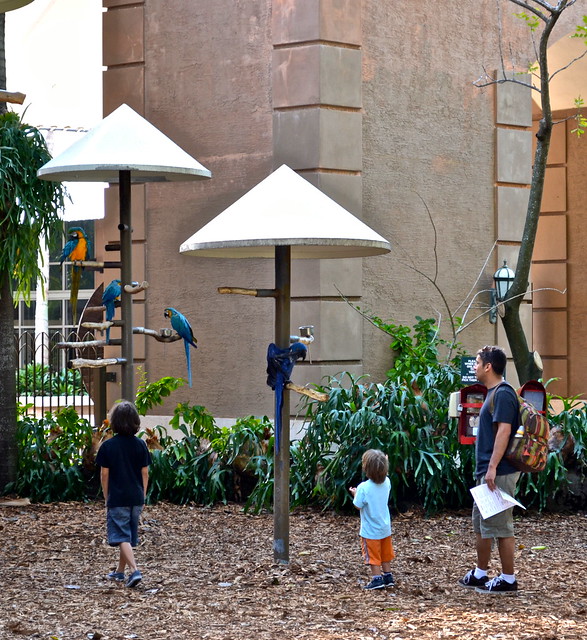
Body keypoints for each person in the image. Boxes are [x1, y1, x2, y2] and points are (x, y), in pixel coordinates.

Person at [458, 345, 521, 595]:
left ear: (488, 366)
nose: (473, 367)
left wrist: (493, 467)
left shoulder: (503, 394)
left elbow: (504, 432)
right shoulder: (492, 392)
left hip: (499, 472)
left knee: (501, 527)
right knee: (481, 525)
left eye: (476, 362)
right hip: (487, 471)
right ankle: (480, 573)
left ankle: (508, 579)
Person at [95, 400, 151, 588]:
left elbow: (104, 474)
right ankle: (120, 572)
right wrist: (142, 495)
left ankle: (135, 571)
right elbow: (145, 472)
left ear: (114, 421)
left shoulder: (108, 447)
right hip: (136, 497)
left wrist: (106, 495)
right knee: (126, 535)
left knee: (120, 536)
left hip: (118, 497)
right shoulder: (141, 445)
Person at [349, 449, 395, 590]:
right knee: (385, 553)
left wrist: (355, 493)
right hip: (385, 527)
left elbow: (358, 505)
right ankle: (388, 576)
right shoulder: (387, 482)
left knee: (373, 555)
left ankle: (377, 579)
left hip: (370, 530)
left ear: (366, 468)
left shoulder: (363, 487)